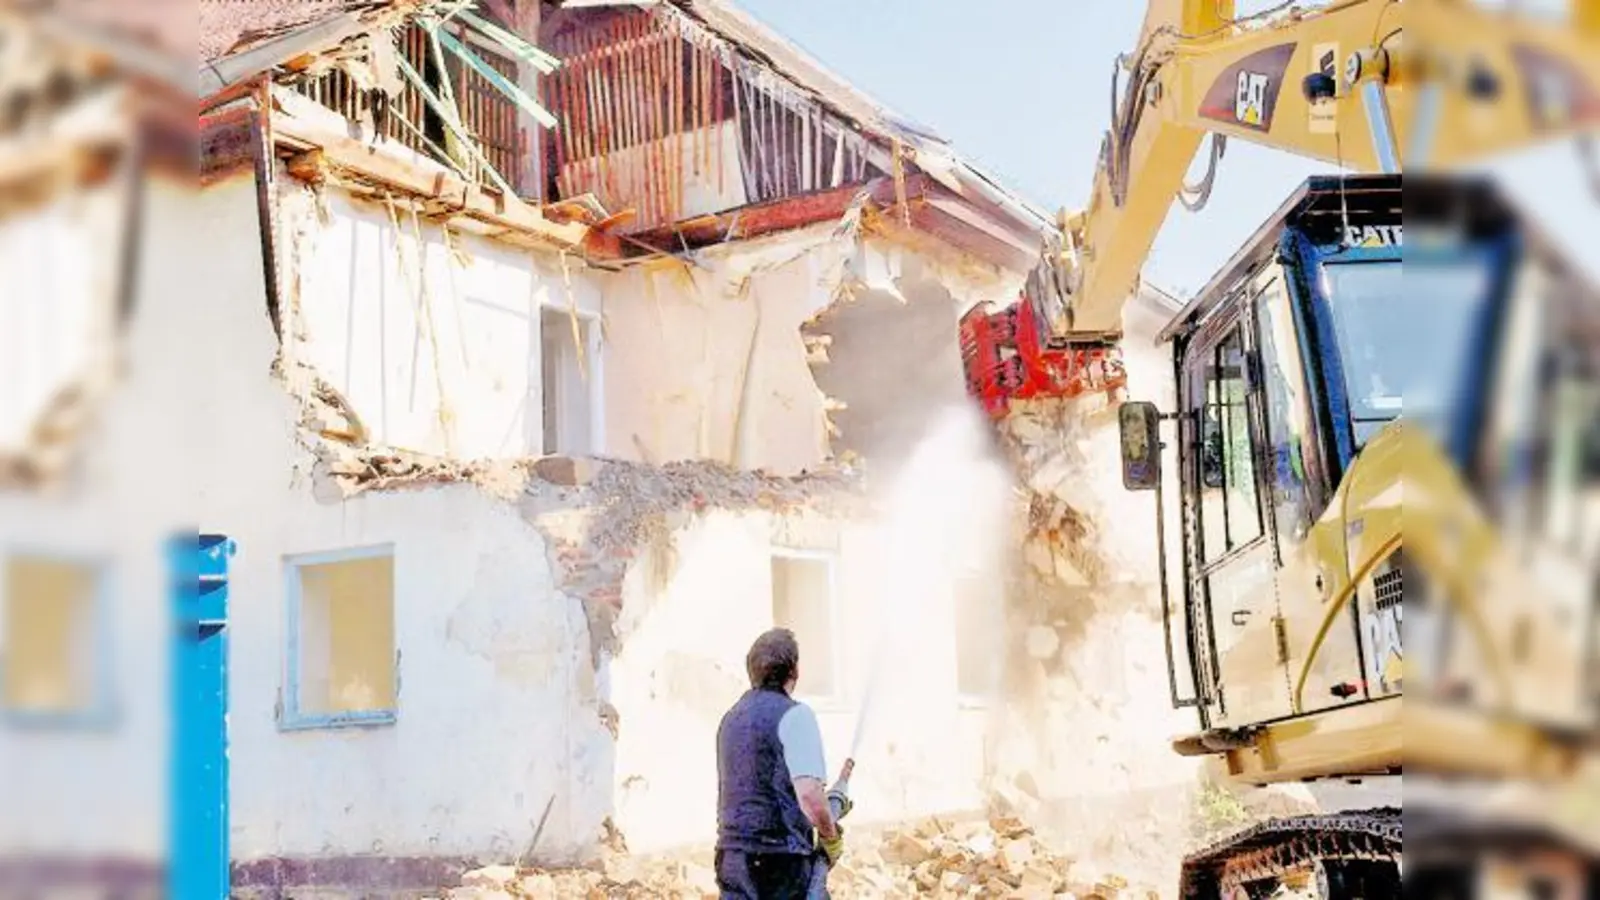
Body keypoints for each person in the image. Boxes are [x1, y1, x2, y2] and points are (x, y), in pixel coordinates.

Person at [714, 628, 844, 899]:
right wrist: (830, 838)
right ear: (794, 671)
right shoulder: (796, 715)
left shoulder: (730, 719)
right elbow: (810, 795)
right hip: (778, 861)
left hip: (731, 859)